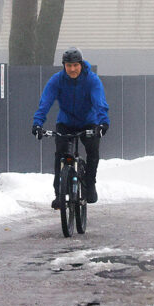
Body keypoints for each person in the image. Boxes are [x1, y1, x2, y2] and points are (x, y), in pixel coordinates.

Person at [31, 46, 110, 209]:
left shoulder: (92, 80)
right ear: (64, 66)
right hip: (66, 122)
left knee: (92, 151)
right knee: (60, 155)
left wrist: (103, 123)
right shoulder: (57, 80)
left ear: (81, 64)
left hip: (89, 121)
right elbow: (45, 102)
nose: (72, 69)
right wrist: (38, 123)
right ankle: (59, 194)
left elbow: (99, 102)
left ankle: (90, 184)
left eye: (75, 65)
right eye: (68, 65)